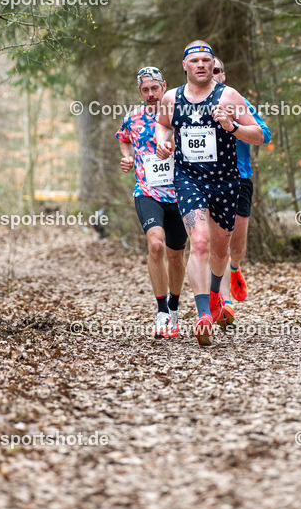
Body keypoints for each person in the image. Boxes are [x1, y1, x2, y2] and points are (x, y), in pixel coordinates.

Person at [155, 42, 264, 347]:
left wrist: (231, 127)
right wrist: (162, 143)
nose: (201, 65)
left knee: (219, 251)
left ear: (212, 64)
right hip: (189, 178)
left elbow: (259, 135)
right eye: (195, 60)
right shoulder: (171, 97)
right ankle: (204, 315)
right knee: (199, 242)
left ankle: (216, 294)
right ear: (184, 65)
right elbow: (162, 126)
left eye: (206, 60)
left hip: (226, 181)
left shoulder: (229, 96)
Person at [116, 66, 187, 338]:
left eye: (155, 88)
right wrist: (128, 157)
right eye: (145, 90)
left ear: (164, 86)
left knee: (176, 255)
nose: (150, 94)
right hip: (147, 191)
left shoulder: (180, 115)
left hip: (180, 194)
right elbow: (123, 139)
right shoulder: (132, 118)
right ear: (140, 91)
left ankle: (175, 306)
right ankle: (161, 310)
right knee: (156, 244)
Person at [212, 57, 272, 323]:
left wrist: (234, 126)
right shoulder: (187, 104)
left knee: (236, 245)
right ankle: (224, 303)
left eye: (215, 70)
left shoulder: (236, 101)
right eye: (204, 68)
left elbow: (265, 134)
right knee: (215, 244)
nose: (210, 74)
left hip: (240, 178)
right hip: (207, 181)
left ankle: (235, 269)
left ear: (223, 75)